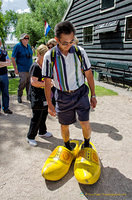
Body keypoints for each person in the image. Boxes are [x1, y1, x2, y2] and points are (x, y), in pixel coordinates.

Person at [42, 21, 97, 150]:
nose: (68, 45)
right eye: (64, 42)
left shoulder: (80, 52)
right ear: (57, 40)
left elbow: (89, 74)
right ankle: (67, 146)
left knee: (85, 122)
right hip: (62, 96)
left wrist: (93, 95)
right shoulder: (50, 56)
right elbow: (47, 82)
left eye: (71, 41)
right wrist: (49, 104)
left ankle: (87, 144)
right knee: (64, 125)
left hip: (80, 93)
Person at [27, 44, 52, 147]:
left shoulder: (46, 65)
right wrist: (47, 84)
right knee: (36, 116)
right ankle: (30, 136)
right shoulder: (35, 66)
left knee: (44, 113)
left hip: (44, 94)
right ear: (38, 54)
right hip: (36, 96)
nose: (46, 58)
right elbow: (33, 82)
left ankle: (42, 131)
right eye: (44, 55)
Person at [11, 33, 33, 103]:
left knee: (29, 83)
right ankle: (19, 95)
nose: (26, 40)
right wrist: (15, 68)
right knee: (23, 82)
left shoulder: (28, 46)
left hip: (29, 68)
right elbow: (12, 58)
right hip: (21, 68)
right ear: (21, 39)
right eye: (24, 39)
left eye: (27, 39)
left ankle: (28, 96)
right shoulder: (17, 46)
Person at [0, 39, 13, 114]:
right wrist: (4, 63)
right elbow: (6, 63)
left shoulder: (4, 52)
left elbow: (9, 63)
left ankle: (6, 108)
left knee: (5, 92)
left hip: (4, 75)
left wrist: (1, 63)